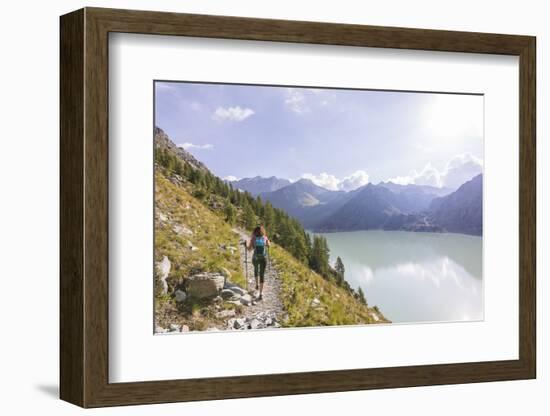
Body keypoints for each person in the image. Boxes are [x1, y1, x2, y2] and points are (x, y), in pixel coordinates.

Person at [247, 225, 270, 300]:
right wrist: (267, 243)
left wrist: (246, 244)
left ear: (254, 231)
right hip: (263, 258)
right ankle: (261, 293)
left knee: (256, 269)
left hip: (255, 258)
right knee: (262, 274)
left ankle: (256, 284)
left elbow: (249, 249)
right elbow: (269, 245)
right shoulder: (264, 237)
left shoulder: (253, 238)